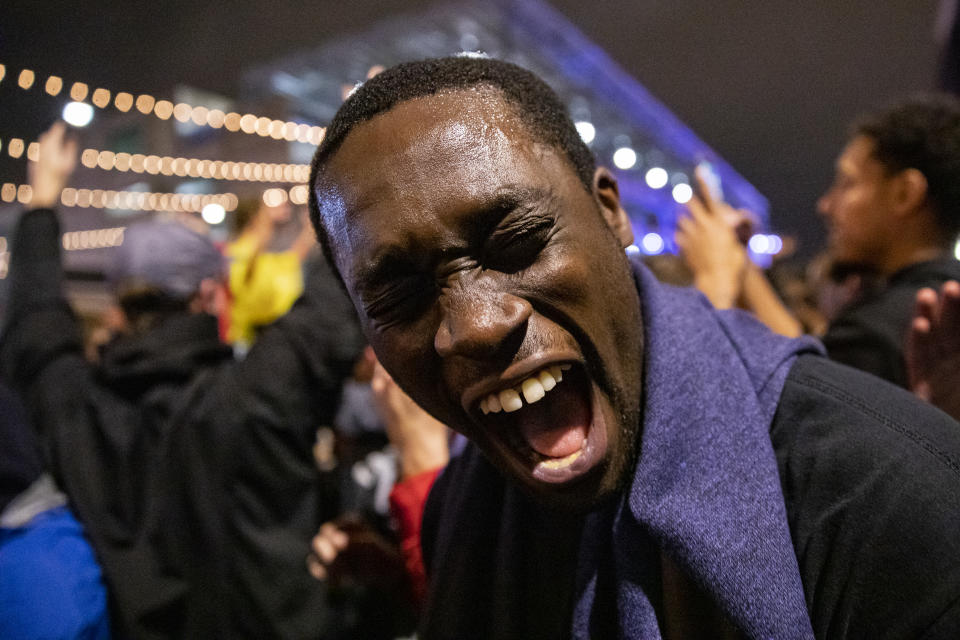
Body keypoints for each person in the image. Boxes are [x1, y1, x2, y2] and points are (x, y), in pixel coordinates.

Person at [306, 56, 960, 639]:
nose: (476, 325)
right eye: (400, 296)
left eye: (518, 242)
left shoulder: (896, 504)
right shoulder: (461, 508)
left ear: (609, 212)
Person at [1, 123, 364, 639]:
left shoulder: (75, 406)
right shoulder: (252, 395)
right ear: (211, 297)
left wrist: (41, 203)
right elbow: (331, 307)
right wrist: (353, 153)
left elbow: (35, 327)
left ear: (119, 308)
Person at [679, 96, 960, 389]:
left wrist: (714, 277)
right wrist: (740, 262)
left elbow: (800, 390)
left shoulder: (892, 330)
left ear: (904, 194)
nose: (825, 205)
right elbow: (806, 358)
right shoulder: (931, 305)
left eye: (847, 183)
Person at [225, 197, 316, 350]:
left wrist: (308, 231)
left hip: (250, 338)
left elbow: (290, 259)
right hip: (251, 340)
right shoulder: (244, 254)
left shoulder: (243, 253)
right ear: (255, 219)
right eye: (266, 214)